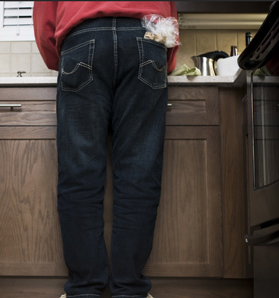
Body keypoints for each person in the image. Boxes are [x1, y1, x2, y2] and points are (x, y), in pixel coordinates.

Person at [33, 2, 179, 298]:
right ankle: (129, 290)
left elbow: (44, 20)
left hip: (82, 40)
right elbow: (170, 12)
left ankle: (85, 289)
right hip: (147, 39)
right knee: (139, 173)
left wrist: (62, 57)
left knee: (80, 174)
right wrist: (166, 59)